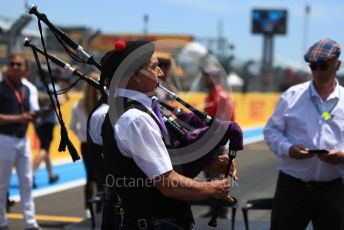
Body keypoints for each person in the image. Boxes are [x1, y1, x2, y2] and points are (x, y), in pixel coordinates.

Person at [100, 40, 236, 230]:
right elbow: (168, 184)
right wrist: (212, 188)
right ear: (136, 75)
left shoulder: (131, 111)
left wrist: (209, 163)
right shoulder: (137, 119)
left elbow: (156, 164)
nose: (161, 73)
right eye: (154, 67)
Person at [264, 38, 344, 230]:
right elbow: (271, 131)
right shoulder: (292, 95)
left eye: (323, 66)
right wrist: (288, 149)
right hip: (293, 188)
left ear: (337, 65)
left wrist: (342, 157)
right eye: (313, 66)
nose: (317, 72)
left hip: (334, 189)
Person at [0, 53, 40, 229]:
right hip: (4, 139)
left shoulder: (28, 89)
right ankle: (2, 222)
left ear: (25, 68)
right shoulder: (1, 88)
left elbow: (32, 113)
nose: (15, 67)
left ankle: (30, 223)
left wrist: (35, 116)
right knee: (2, 185)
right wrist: (19, 118)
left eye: (19, 65)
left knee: (27, 181)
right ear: (8, 67)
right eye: (12, 64)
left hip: (23, 140)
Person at [201, 67, 236, 218]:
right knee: (210, 177)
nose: (204, 79)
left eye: (207, 76)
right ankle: (213, 208)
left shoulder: (222, 97)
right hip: (207, 143)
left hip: (216, 144)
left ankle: (221, 211)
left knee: (216, 177)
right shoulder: (211, 96)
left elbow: (224, 122)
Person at [70, 72, 102, 217]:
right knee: (102, 176)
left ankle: (88, 209)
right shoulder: (101, 105)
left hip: (85, 144)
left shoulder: (78, 104)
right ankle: (101, 210)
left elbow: (72, 126)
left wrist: (81, 136)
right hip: (100, 145)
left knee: (89, 177)